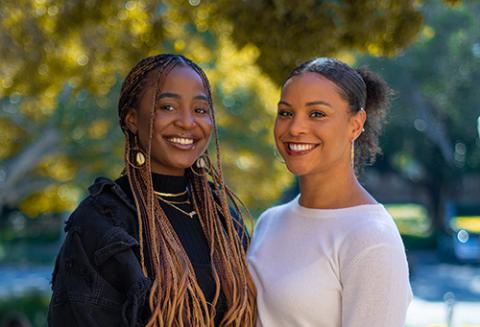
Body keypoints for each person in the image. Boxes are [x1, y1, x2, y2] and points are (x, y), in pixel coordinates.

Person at [48, 54, 256, 327]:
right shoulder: (103, 223)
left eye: (201, 110)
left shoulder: (223, 219)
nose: (187, 122)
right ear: (132, 119)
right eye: (168, 107)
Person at [247, 57, 412, 327]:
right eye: (286, 113)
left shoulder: (370, 237)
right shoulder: (269, 221)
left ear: (355, 125)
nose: (295, 128)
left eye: (317, 114)